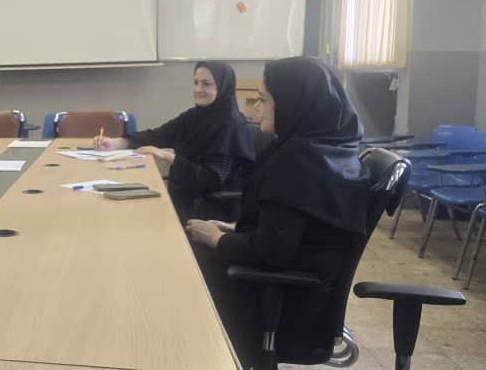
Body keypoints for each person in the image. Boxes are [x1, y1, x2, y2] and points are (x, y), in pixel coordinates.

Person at [185, 57, 371, 367]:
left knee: (185, 271)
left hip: (283, 297)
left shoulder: (297, 162)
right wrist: (233, 228)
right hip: (305, 292)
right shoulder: (334, 148)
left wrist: (216, 238)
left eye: (264, 99)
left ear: (292, 104)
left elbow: (271, 252)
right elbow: (301, 229)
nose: (255, 109)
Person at [95, 61, 255, 219]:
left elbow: (211, 179)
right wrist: (118, 142)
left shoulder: (230, 124)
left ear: (223, 86)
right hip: (184, 196)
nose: (198, 89)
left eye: (206, 84)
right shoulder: (194, 115)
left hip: (211, 210)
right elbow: (159, 135)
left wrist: (167, 156)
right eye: (196, 82)